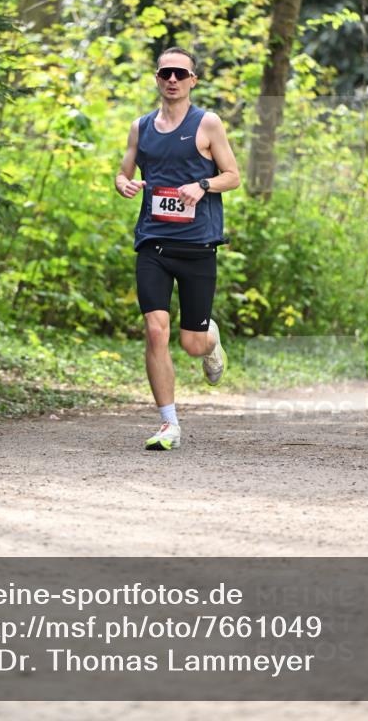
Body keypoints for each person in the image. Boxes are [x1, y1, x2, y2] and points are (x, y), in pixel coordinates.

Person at [115, 47, 240, 451]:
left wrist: (201, 185)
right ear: (157, 78)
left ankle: (210, 338)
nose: (172, 79)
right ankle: (169, 423)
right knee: (155, 329)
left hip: (198, 246)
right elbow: (124, 172)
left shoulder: (208, 124)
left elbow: (233, 176)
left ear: (192, 81)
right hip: (153, 243)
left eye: (180, 74)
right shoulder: (141, 127)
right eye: (166, 72)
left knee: (191, 344)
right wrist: (124, 184)